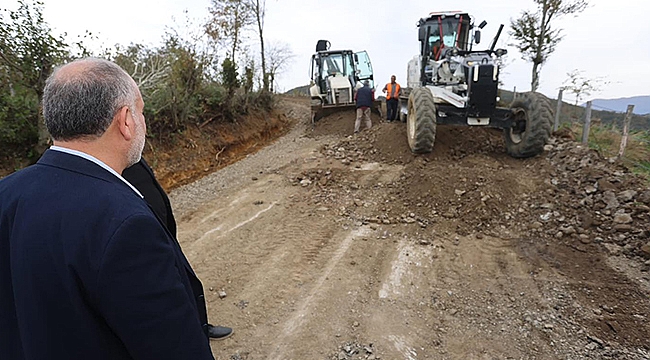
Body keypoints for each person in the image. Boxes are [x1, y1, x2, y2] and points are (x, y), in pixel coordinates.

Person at [0, 58, 214, 359]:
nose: (144, 123)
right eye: (140, 111)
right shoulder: (126, 224)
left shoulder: (6, 192)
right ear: (125, 120)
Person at [122, 158, 233, 340]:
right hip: (144, 241)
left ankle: (200, 329)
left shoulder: (131, 154)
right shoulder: (106, 161)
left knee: (183, 283)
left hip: (162, 233)